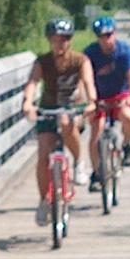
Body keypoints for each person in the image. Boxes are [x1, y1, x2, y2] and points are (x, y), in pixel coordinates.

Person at [23, 17, 93, 227]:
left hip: (73, 109)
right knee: (43, 155)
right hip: (48, 109)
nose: (59, 44)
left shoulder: (80, 60)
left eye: (64, 39)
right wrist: (28, 103)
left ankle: (79, 163)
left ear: (70, 40)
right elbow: (33, 82)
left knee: (66, 121)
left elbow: (88, 82)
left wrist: (92, 102)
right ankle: (44, 200)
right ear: (49, 41)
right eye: (55, 39)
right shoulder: (42, 62)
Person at [82, 15, 130, 189]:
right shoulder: (90, 54)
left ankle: (127, 145)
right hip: (99, 98)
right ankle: (96, 173)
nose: (106, 40)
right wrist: (88, 101)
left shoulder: (125, 52)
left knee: (128, 116)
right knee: (96, 133)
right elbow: (84, 80)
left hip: (120, 96)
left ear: (115, 33)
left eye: (109, 35)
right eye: (101, 36)